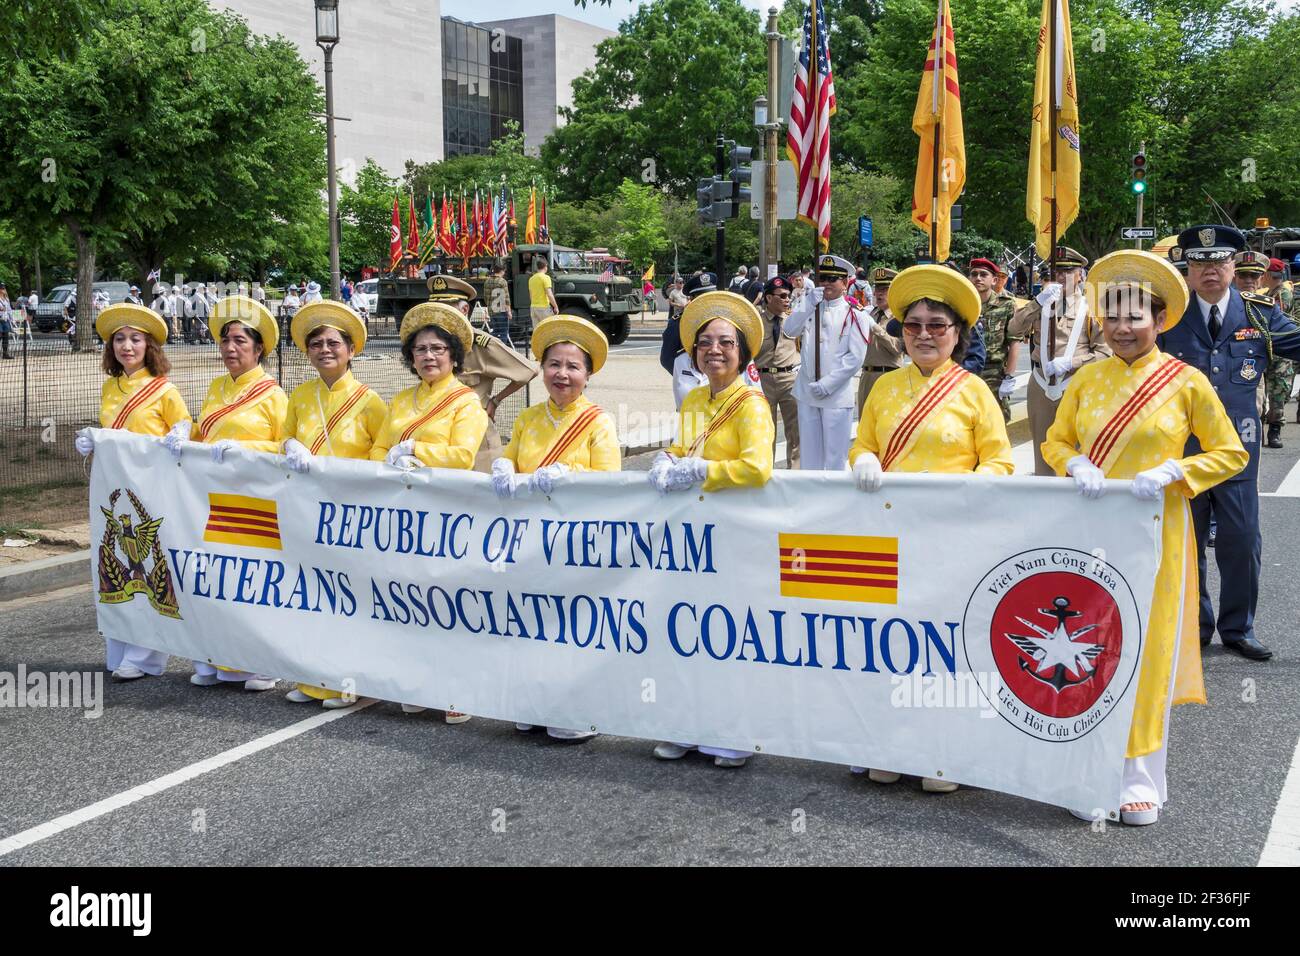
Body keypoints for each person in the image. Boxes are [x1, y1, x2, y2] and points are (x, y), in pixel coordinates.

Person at [1044, 250, 1247, 825]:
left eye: (1136, 317)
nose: (1123, 328)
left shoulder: (1187, 382)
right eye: (1112, 317)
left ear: (1159, 321)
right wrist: (1074, 464)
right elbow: (1055, 442)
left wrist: (1178, 472)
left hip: (1159, 531)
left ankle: (1138, 772)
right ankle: (1087, 766)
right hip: (1089, 530)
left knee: (1145, 645)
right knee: (1087, 644)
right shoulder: (1086, 378)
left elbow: (1230, 451)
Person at [849, 264, 1013, 793]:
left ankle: (944, 753)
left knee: (944, 645)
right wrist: (864, 460)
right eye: (913, 324)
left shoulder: (973, 392)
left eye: (936, 325)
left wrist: (966, 492)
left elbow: (1000, 462)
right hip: (890, 534)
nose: (923, 334)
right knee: (891, 641)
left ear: (958, 334)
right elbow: (863, 443)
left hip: (951, 537)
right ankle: (891, 743)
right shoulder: (884, 387)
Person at [1159, 224, 1300, 661]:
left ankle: (1238, 627)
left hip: (1238, 452)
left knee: (1242, 540)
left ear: (1235, 263)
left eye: (1219, 261)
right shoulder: (1168, 315)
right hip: (1181, 450)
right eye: (1200, 262)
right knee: (1187, 540)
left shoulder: (1259, 314)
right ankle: (1195, 625)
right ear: (1187, 268)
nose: (1210, 270)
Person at [648, 291, 773, 768]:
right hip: (693, 535)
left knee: (728, 633)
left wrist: (703, 471)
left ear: (742, 352)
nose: (714, 350)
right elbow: (685, 445)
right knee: (685, 629)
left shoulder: (752, 404)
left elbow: (757, 468)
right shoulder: (696, 397)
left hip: (735, 532)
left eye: (725, 342)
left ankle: (733, 734)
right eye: (704, 343)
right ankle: (685, 724)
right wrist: (669, 458)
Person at [492, 314, 620, 741]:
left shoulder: (598, 421)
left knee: (571, 628)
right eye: (554, 365)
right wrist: (503, 465)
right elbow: (511, 454)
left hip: (575, 543)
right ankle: (534, 701)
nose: (562, 374)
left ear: (587, 375)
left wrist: (570, 477)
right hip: (527, 541)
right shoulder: (529, 418)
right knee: (530, 621)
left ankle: (578, 710)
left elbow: (609, 485)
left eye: (573, 367)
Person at [370, 302, 489, 722]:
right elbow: (379, 447)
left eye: (438, 348)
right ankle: (420, 683)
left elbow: (461, 455)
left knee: (448, 601)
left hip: (447, 513)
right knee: (409, 599)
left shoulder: (465, 403)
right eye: (420, 350)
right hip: (402, 515)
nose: (429, 356)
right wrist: (389, 459)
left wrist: (416, 450)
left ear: (454, 356)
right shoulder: (401, 399)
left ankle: (458, 690)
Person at [167, 296, 288, 691]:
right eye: (225, 340)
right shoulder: (216, 387)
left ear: (258, 348)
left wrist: (249, 452)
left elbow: (287, 447)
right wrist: (187, 432)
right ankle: (219, 658)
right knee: (217, 579)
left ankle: (262, 662)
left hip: (256, 501)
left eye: (240, 341)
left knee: (253, 582)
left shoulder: (273, 395)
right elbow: (207, 433)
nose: (231, 348)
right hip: (213, 499)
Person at [279, 300, 388, 709]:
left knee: (347, 597)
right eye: (317, 344)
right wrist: (289, 444)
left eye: (333, 343)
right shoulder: (301, 394)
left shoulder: (369, 400)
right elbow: (285, 436)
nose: (325, 350)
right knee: (309, 594)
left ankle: (351, 680)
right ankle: (313, 678)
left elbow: (382, 451)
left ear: (351, 349)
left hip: (350, 511)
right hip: (306, 508)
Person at [74, 302, 190, 681]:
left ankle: (145, 656)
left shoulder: (163, 389)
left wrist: (180, 433)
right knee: (116, 568)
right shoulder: (110, 386)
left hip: (150, 492)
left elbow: (183, 426)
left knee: (146, 567)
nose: (127, 346)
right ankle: (121, 645)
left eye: (135, 340)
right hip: (115, 491)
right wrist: (94, 442)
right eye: (119, 339)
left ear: (149, 347)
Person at [1007, 246, 1110, 474]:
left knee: (1077, 451)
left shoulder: (1093, 307)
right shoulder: (1040, 304)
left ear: (1080, 275)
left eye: (1068, 271)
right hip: (1041, 383)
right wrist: (1037, 302)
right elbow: (1013, 328)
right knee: (1042, 449)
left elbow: (1105, 353)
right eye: (1055, 273)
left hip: (1077, 383)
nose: (1061, 277)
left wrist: (1072, 363)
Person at [427, 274, 537, 472]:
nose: (440, 316)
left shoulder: (480, 344)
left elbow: (528, 370)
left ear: (464, 310)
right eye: (436, 310)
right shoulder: (431, 346)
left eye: (447, 309)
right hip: (441, 436)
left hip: (478, 440)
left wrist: (494, 401)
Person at [782, 254, 870, 471]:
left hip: (836, 395)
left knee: (834, 460)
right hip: (807, 391)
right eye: (823, 278)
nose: (827, 284)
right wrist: (807, 303)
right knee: (810, 459)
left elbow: (855, 358)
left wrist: (828, 384)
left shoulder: (855, 315)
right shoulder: (810, 307)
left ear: (844, 283)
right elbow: (789, 330)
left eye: (833, 279)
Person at [754, 275, 800, 468]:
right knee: (765, 431)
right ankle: (766, 473)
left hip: (789, 378)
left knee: (796, 433)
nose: (786, 299)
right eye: (781, 296)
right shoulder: (756, 321)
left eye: (788, 296)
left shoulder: (794, 320)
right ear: (768, 298)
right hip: (763, 379)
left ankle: (795, 476)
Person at [969, 258, 1022, 422]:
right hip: (967, 370)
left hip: (995, 372)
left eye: (983, 274)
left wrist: (1009, 376)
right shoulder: (963, 304)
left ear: (994, 280)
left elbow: (1014, 340)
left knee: (996, 421)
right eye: (974, 274)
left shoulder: (1006, 304)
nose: (978, 278)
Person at [856, 267, 905, 416]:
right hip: (867, 375)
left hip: (889, 375)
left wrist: (875, 328)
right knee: (865, 425)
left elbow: (897, 348)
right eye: (877, 288)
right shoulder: (872, 313)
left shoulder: (900, 317)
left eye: (884, 289)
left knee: (887, 425)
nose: (879, 293)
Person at [1258, 258, 1296, 448]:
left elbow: (1274, 325)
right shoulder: (1272, 293)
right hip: (1268, 351)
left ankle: (1274, 430)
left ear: (1266, 275)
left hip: (1279, 354)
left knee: (1277, 394)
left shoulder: (1282, 295)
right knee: (1263, 393)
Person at [483, 261, 513, 347]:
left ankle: (489, 345)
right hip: (501, 310)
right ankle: (502, 350)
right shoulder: (502, 282)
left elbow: (486, 297)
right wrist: (509, 311)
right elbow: (506, 298)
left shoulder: (487, 281)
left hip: (492, 310)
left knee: (495, 331)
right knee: (503, 332)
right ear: (502, 271)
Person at [528, 255, 559, 326]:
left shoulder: (531, 279)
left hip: (533, 308)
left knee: (537, 331)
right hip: (544, 307)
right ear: (545, 266)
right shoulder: (546, 278)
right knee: (549, 329)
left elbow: (531, 295)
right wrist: (555, 306)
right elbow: (549, 294)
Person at [0, 284, 14, 359]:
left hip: (5, 319)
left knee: (6, 337)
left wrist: (11, 319)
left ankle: (5, 354)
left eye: (4, 288)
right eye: (2, 288)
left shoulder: (6, 299)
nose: (4, 290)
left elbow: (9, 309)